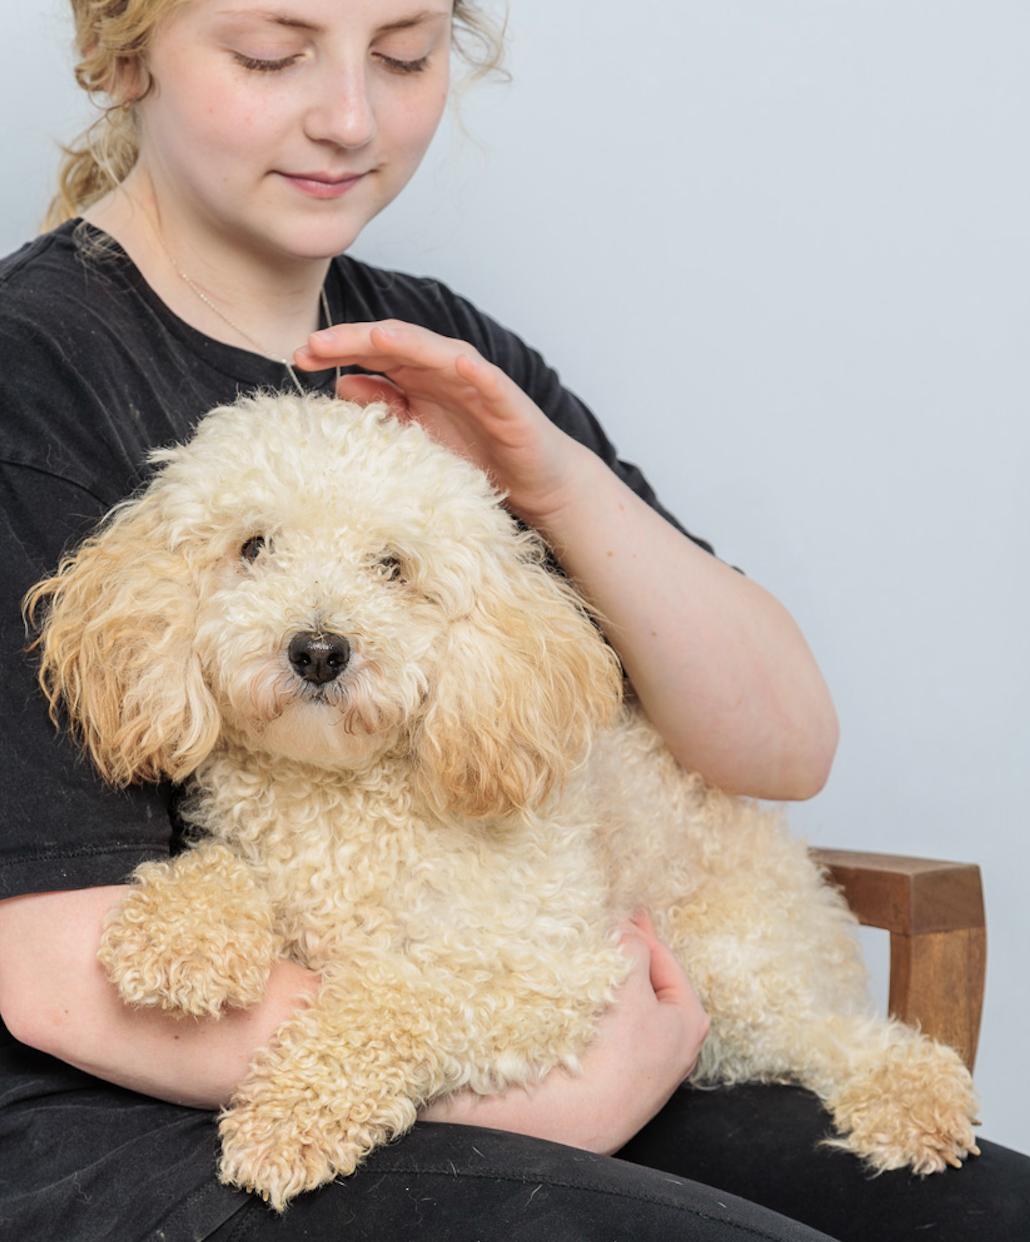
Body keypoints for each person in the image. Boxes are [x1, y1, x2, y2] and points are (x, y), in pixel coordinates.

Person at [0, 2, 1025, 1239]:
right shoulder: (35, 372)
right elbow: (53, 979)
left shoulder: (439, 343)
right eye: (272, 55)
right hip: (144, 1130)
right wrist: (540, 1100)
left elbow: (782, 745)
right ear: (124, 56)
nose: (347, 117)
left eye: (403, 55)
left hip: (535, 1024)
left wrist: (543, 471)